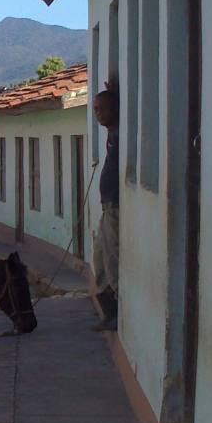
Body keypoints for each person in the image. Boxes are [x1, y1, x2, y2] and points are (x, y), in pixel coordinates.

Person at [91, 83, 120, 332]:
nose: (98, 113)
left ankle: (118, 314)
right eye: (96, 109)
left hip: (115, 208)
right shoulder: (111, 134)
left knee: (112, 260)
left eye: (103, 108)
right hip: (106, 207)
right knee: (99, 261)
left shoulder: (120, 134)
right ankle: (108, 313)